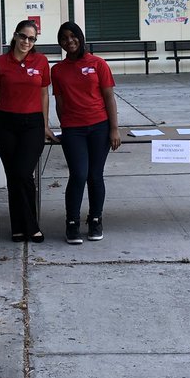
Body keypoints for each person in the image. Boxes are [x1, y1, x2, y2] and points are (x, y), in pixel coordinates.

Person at [50, 21, 120, 245]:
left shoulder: (98, 64)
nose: (69, 41)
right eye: (64, 38)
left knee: (95, 175)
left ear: (80, 37)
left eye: (73, 36)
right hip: (73, 130)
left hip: (99, 127)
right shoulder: (57, 70)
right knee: (79, 174)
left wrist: (114, 129)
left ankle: (95, 219)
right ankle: (72, 223)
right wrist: (66, 126)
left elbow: (109, 97)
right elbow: (59, 103)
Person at [0, 20, 53, 243]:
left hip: (33, 124)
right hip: (6, 124)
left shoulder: (41, 61)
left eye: (32, 38)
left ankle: (31, 225)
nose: (27, 42)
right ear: (15, 36)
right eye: (23, 36)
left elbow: (44, 94)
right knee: (13, 177)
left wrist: (45, 124)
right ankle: (18, 227)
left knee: (23, 173)